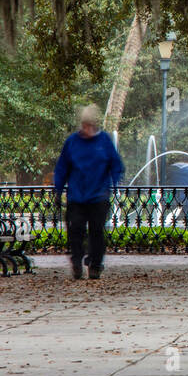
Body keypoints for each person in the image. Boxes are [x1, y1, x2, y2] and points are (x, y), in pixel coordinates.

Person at [54, 104, 125, 279]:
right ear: (82, 124)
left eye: (91, 126)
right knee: (75, 230)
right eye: (85, 126)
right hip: (77, 196)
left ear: (95, 125)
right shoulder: (72, 142)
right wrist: (58, 189)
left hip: (98, 196)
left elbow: (116, 164)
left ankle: (95, 264)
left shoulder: (104, 141)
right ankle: (77, 262)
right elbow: (62, 167)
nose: (88, 129)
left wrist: (116, 184)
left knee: (97, 232)